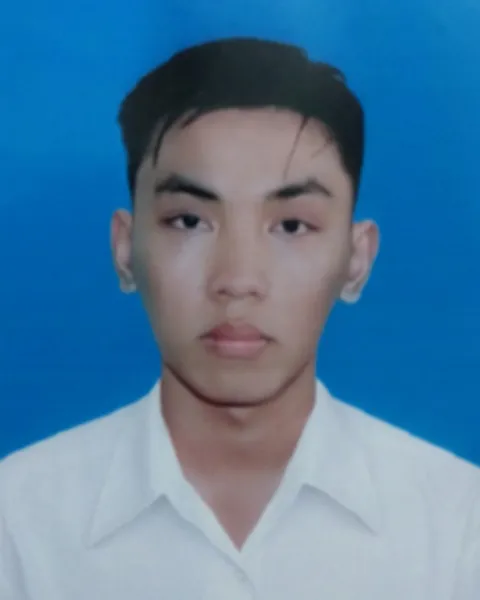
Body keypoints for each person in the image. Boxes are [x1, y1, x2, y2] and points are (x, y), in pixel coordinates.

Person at [0, 37, 478, 600]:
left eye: (292, 226)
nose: (238, 278)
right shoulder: (19, 525)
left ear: (357, 260)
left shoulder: (459, 527)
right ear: (125, 250)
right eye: (189, 221)